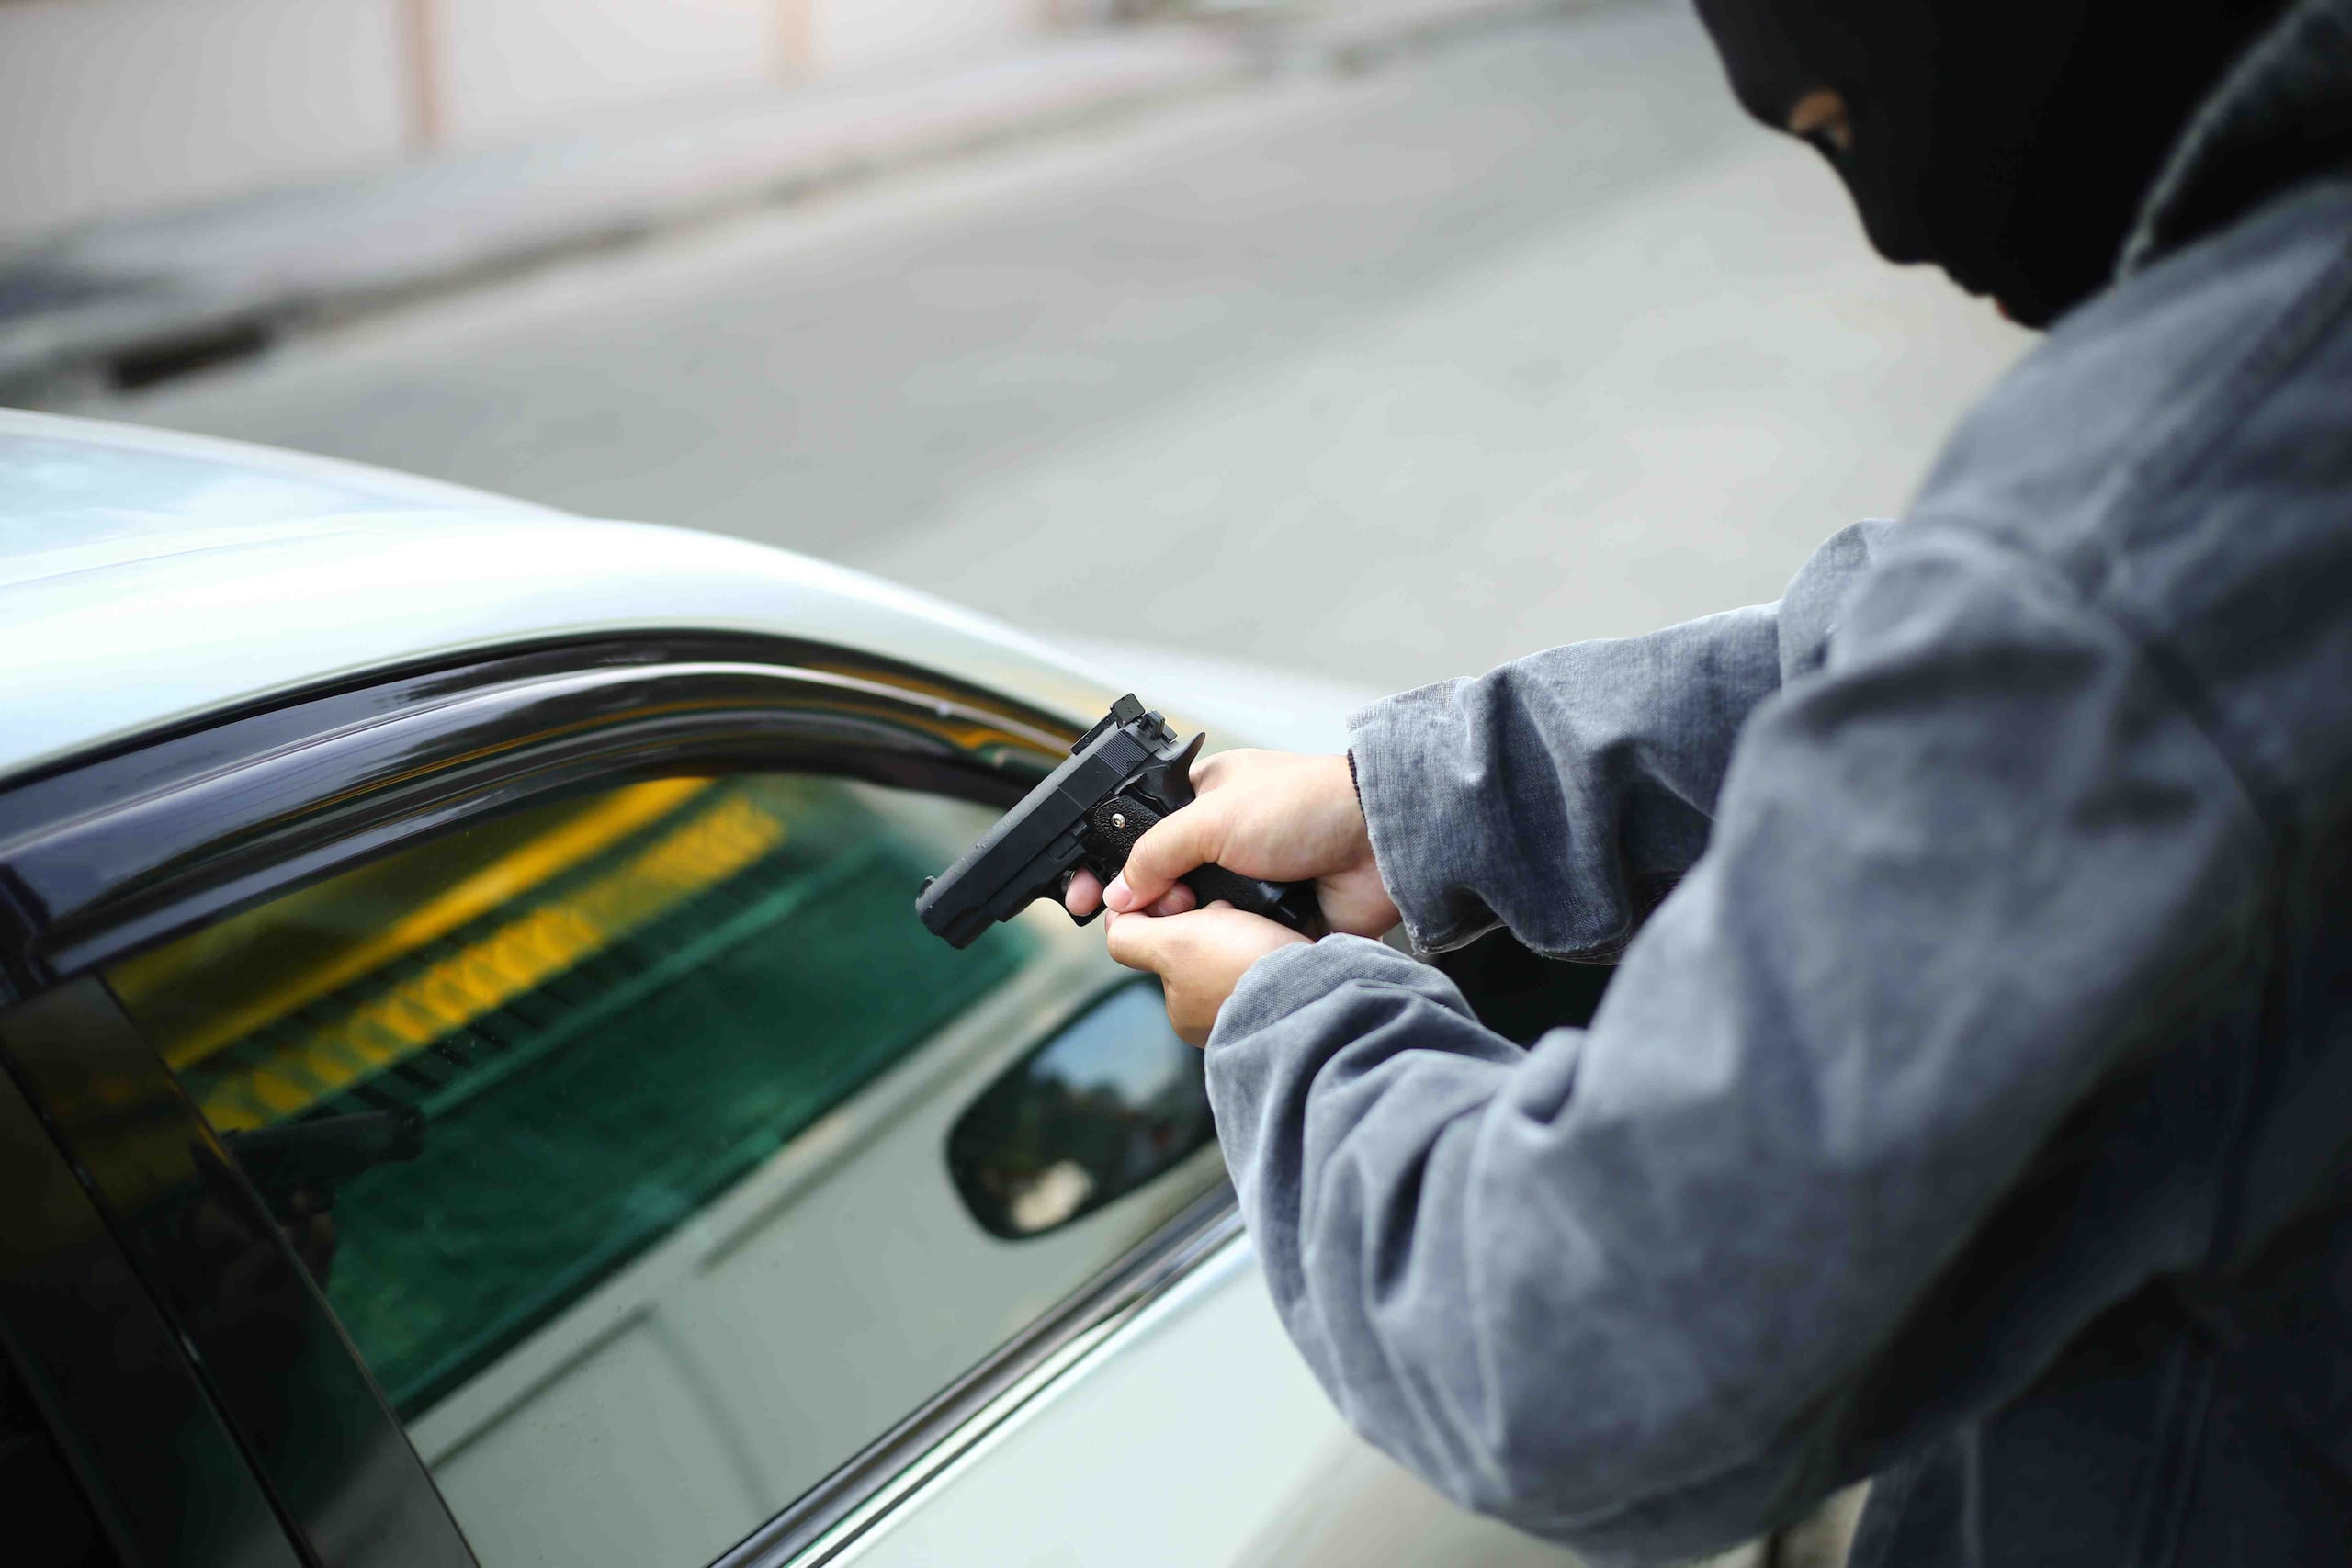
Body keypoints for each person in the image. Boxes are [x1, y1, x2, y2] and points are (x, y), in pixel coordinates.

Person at [1063, 0, 2352, 1562]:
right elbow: (1932, 635)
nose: (1889, 235)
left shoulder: (2159, 536)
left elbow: (1564, 1356)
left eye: (1833, 128)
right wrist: (1417, 802)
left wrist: (1293, 1017)